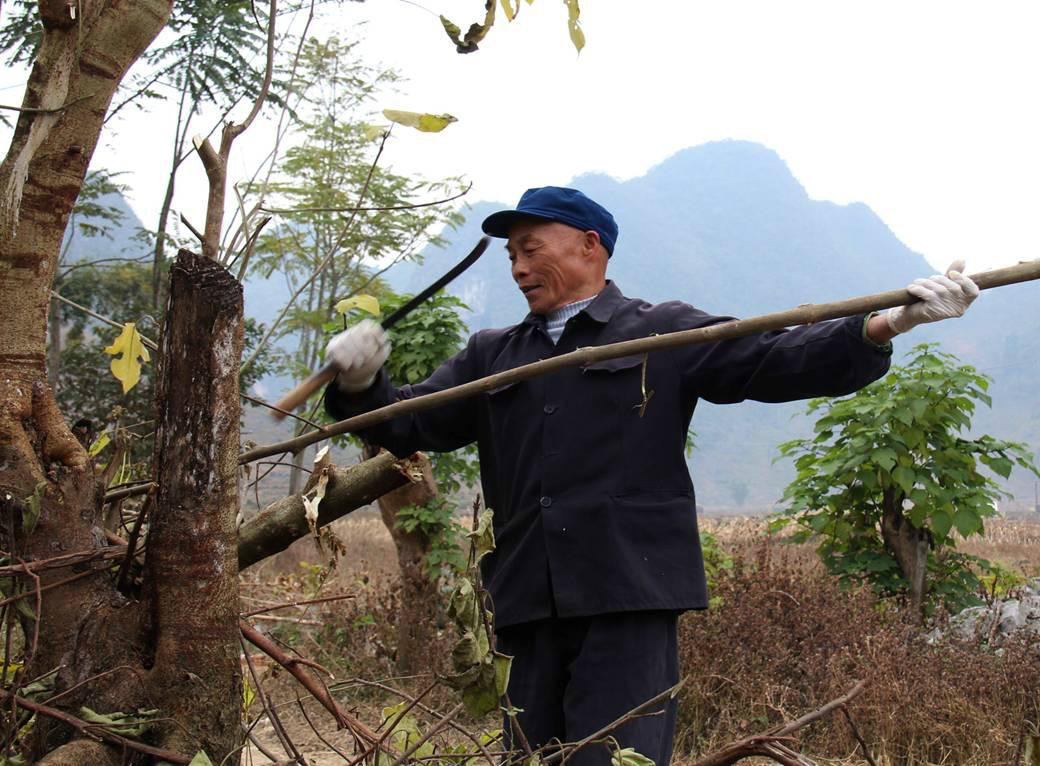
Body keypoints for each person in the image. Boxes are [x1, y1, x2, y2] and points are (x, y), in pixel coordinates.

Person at [323, 186, 978, 765]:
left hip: (627, 601)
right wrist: (360, 383)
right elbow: (408, 424)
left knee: (614, 762)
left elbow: (775, 356)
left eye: (530, 249)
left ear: (589, 247)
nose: (519, 267)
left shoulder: (659, 332)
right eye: (511, 257)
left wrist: (890, 322)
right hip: (526, 604)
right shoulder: (493, 355)